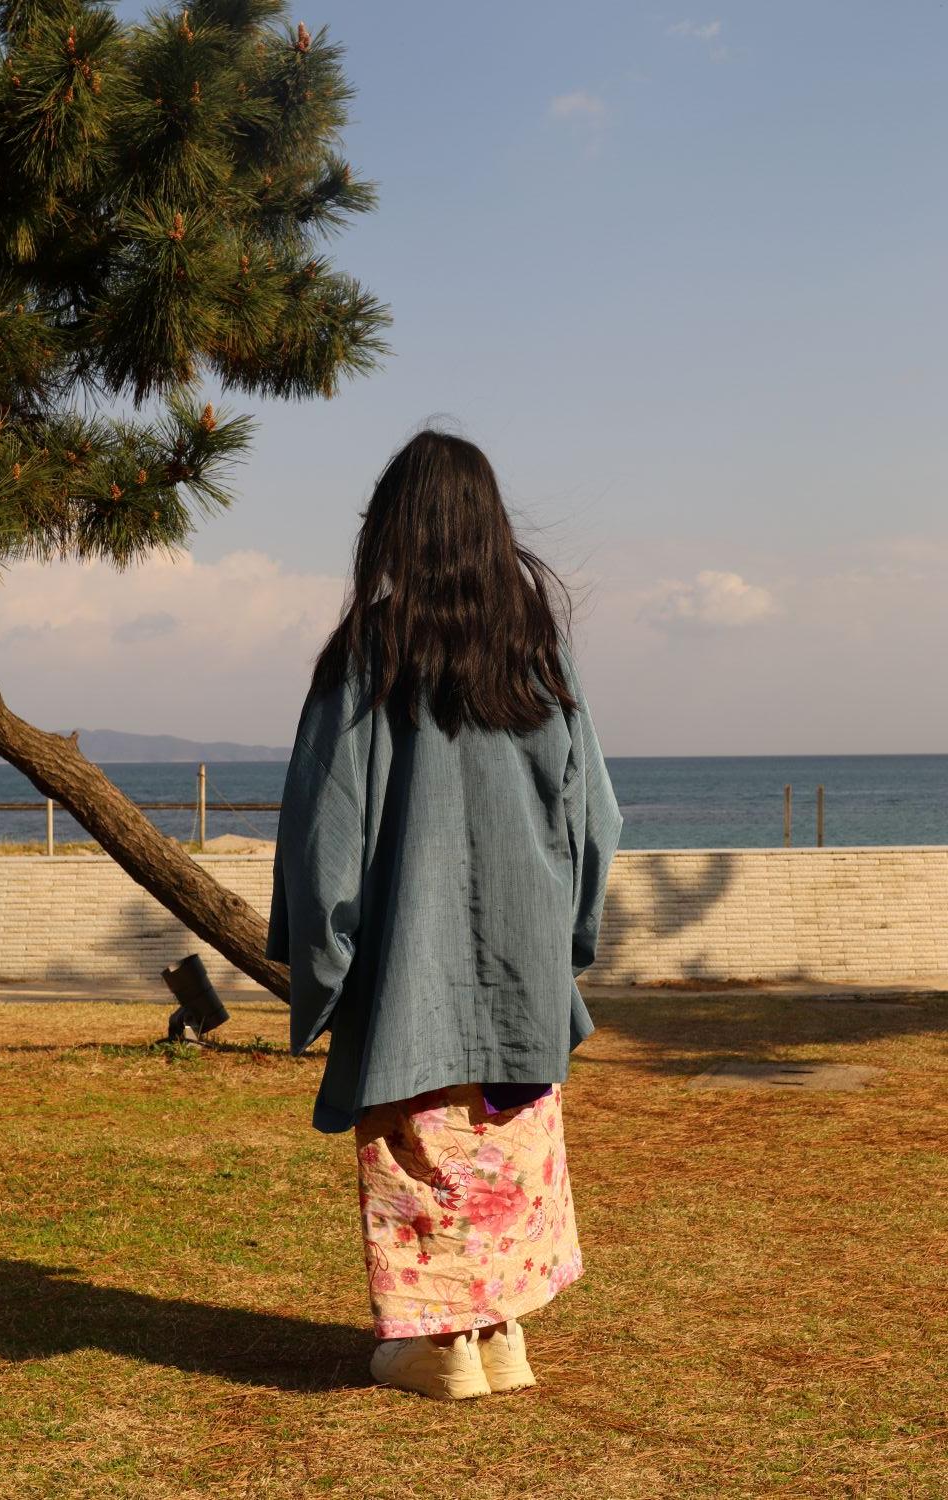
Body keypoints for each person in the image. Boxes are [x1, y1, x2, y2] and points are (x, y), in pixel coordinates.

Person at [266, 428, 622, 1400]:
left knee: (424, 1152)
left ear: (392, 530)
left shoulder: (367, 655)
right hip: (519, 975)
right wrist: (560, 950)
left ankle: (442, 1347)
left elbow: (322, 838)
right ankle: (500, 1333)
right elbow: (594, 819)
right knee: (501, 1147)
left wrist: (325, 972)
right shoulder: (536, 652)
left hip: (404, 973)